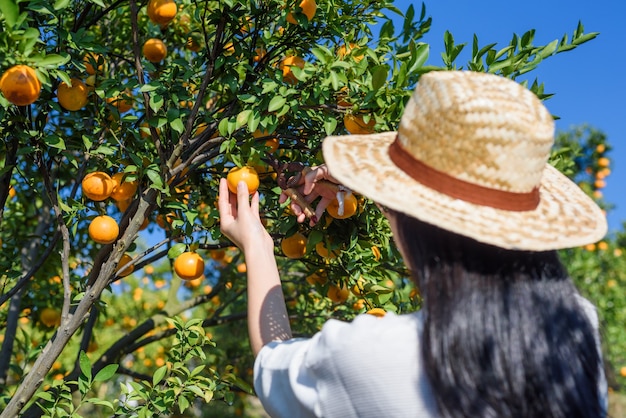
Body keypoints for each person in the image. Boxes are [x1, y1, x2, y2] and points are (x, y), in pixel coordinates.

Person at [218, 70, 608, 417]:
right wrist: (381, 190)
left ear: (408, 219)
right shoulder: (576, 329)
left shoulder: (374, 355)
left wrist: (257, 245)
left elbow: (272, 364)